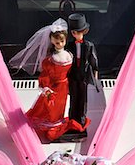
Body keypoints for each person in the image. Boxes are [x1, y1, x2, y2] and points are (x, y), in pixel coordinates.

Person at [9, 18, 88, 141]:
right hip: (54, 88)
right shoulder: (50, 60)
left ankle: (58, 122)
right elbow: (44, 76)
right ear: (52, 41)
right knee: (51, 109)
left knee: (61, 106)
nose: (60, 44)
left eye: (62, 41)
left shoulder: (69, 54)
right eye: (57, 42)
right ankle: (53, 125)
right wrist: (47, 89)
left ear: (65, 40)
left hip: (65, 86)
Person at [62, 13, 99, 141]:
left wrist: (95, 73)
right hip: (72, 76)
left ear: (84, 31)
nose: (75, 34)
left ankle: (81, 123)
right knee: (73, 99)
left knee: (83, 100)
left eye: (77, 32)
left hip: (83, 76)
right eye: (73, 32)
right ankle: (72, 121)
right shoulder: (69, 46)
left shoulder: (89, 45)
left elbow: (93, 60)